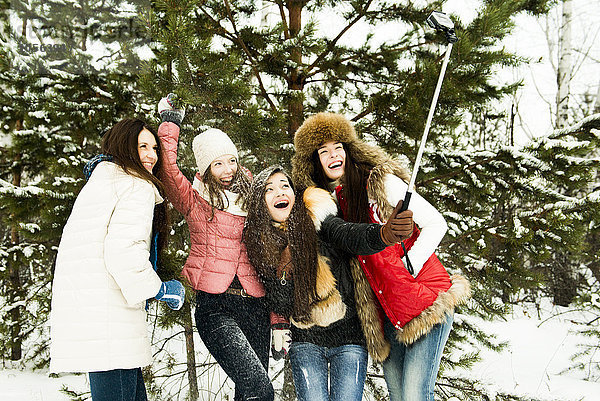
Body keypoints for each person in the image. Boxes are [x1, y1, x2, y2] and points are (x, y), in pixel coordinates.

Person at [291, 112, 471, 401]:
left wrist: (407, 265)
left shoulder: (378, 183)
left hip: (426, 300)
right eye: (323, 151)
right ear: (314, 161)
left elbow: (437, 223)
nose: (333, 155)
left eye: (338, 147)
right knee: (399, 395)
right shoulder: (327, 205)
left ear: (349, 150)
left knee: (415, 395)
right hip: (388, 313)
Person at [242, 165, 413, 401]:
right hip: (306, 341)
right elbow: (279, 303)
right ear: (261, 203)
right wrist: (284, 266)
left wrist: (383, 234)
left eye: (285, 186)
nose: (280, 192)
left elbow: (349, 234)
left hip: (348, 336)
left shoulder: (317, 217)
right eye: (269, 190)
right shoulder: (262, 244)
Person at [50, 118, 185, 401]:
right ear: (125, 148)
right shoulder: (135, 186)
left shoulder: (103, 182)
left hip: (95, 314)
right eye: (142, 147)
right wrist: (160, 289)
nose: (151, 155)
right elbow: (124, 251)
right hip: (112, 317)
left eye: (154, 148)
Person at [156, 95, 273, 401]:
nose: (227, 168)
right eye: (218, 163)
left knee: (250, 394)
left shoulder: (254, 198)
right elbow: (167, 170)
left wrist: (278, 317)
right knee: (260, 389)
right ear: (206, 168)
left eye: (231, 160)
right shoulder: (194, 199)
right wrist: (170, 122)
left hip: (256, 305)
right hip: (216, 306)